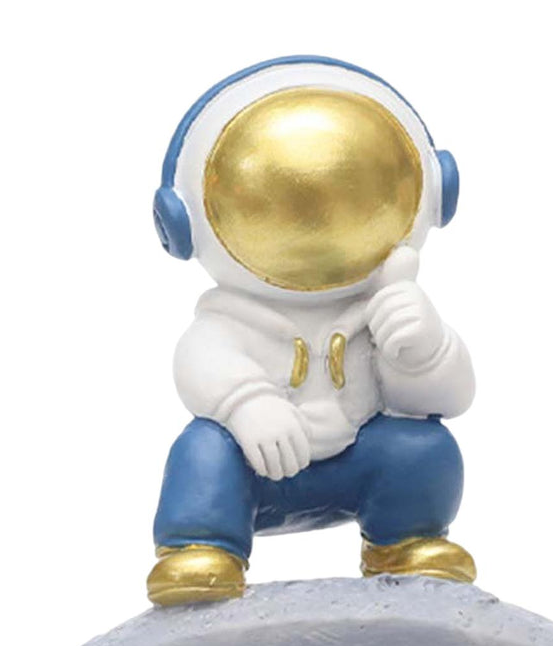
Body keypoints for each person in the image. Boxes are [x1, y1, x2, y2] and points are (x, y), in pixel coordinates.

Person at [148, 56, 476, 605]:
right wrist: (247, 404)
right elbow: (200, 360)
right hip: (257, 467)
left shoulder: (387, 300)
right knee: (204, 450)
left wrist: (424, 349)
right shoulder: (230, 320)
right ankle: (203, 549)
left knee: (422, 447)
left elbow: (450, 398)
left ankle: (406, 543)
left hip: (360, 458)